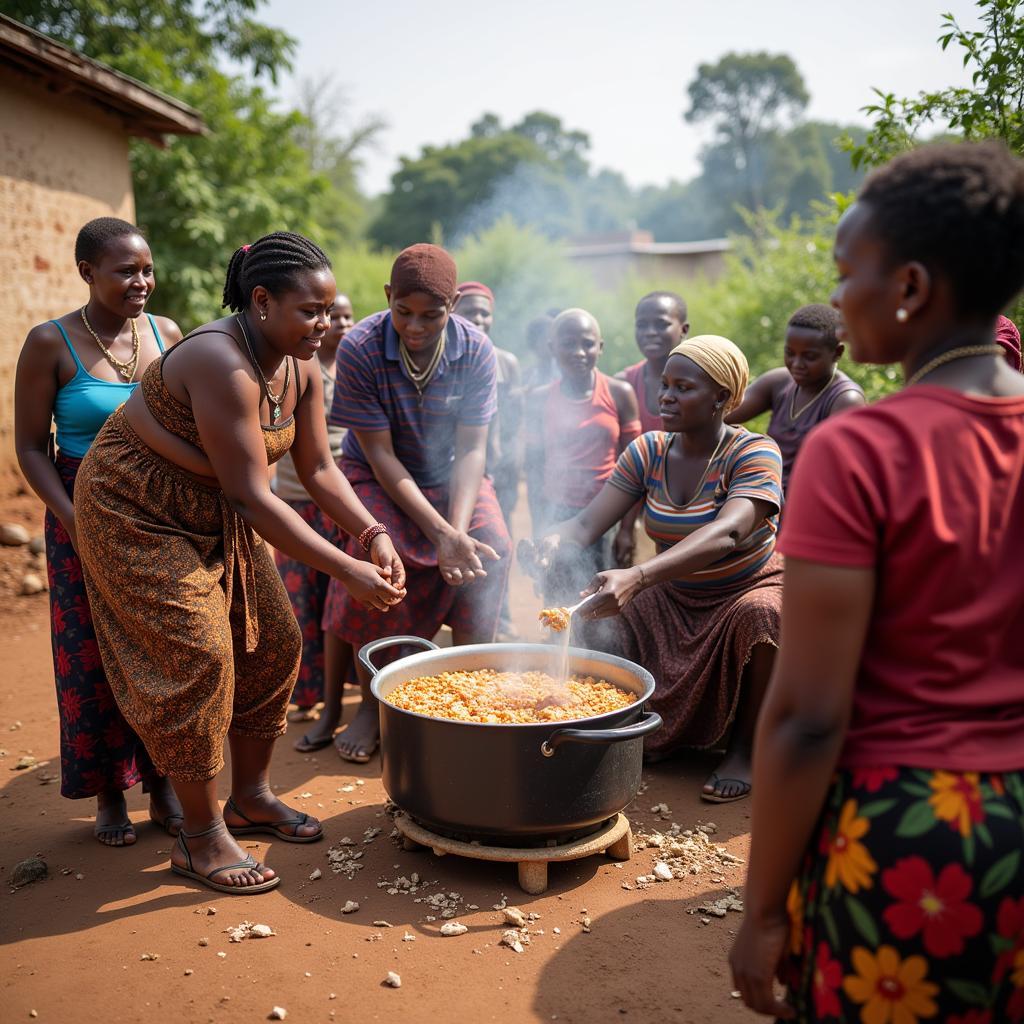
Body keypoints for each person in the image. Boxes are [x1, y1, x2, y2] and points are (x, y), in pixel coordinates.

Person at [729, 141, 1024, 1021]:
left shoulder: (861, 449)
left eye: (847, 269)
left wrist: (760, 912)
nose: (839, 295)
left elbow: (810, 716)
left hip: (908, 841)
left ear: (911, 288)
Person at [73, 232, 406, 894]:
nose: (324, 324)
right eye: (310, 310)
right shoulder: (220, 362)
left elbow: (316, 467)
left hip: (213, 509)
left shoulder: (301, 364)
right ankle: (198, 840)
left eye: (330, 308)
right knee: (198, 655)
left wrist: (371, 532)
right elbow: (252, 496)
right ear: (261, 302)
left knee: (274, 642)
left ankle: (249, 797)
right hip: (135, 510)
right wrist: (346, 570)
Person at [522, 335, 783, 802]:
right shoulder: (649, 451)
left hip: (744, 586)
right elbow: (585, 522)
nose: (665, 396)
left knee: (761, 616)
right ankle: (631, 730)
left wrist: (639, 575)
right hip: (675, 592)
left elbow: (730, 531)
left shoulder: (754, 453)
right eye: (664, 385)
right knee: (591, 618)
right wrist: (548, 543)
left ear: (722, 397)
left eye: (683, 388)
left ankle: (745, 749)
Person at [14, 216, 184, 848]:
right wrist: (74, 520)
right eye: (125, 271)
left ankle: (166, 782)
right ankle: (109, 790)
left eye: (147, 269)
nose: (142, 282)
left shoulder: (166, 334)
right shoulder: (49, 343)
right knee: (89, 652)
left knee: (164, 647)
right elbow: (32, 448)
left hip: (161, 512)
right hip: (80, 511)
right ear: (87, 272)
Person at [321, 243, 510, 762]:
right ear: (387, 298)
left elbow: (472, 449)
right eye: (404, 312)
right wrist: (442, 534)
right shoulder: (360, 346)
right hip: (377, 476)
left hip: (453, 478)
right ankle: (371, 702)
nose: (416, 327)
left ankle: (472, 682)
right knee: (377, 560)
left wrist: (458, 532)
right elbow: (380, 455)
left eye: (432, 315)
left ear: (453, 305)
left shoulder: (475, 350)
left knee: (490, 545)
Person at [268, 294, 358, 750]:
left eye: (343, 315)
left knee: (339, 603)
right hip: (299, 500)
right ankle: (307, 695)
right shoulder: (293, 367)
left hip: (345, 500)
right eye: (325, 314)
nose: (335, 324)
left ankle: (345, 690)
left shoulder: (355, 368)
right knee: (302, 600)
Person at [523, 309, 640, 613]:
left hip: (606, 513)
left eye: (587, 343)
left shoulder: (619, 393)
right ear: (552, 348)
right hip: (556, 513)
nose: (578, 352)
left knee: (604, 604)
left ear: (600, 347)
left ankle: (601, 661)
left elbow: (636, 469)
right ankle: (557, 658)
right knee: (557, 603)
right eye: (568, 343)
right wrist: (540, 527)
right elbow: (533, 468)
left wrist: (627, 529)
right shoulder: (537, 399)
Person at [727, 304, 865, 491]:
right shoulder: (779, 382)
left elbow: (836, 473)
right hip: (766, 496)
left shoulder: (845, 399)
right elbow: (720, 415)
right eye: (790, 353)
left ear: (837, 353)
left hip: (807, 501)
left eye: (809, 356)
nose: (797, 364)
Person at [454, 282, 523, 640]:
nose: (478, 319)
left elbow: (514, 419)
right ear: (453, 313)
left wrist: (510, 463)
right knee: (462, 539)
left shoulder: (506, 363)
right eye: (470, 312)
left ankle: (501, 618)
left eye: (485, 313)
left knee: (498, 546)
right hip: (462, 471)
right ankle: (462, 617)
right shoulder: (450, 359)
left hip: (497, 470)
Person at [614, 291, 690, 566]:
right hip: (634, 511)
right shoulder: (623, 385)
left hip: (689, 511)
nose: (650, 332)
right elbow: (622, 465)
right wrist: (625, 528)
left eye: (660, 324)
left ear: (683, 329)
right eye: (642, 325)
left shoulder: (703, 385)